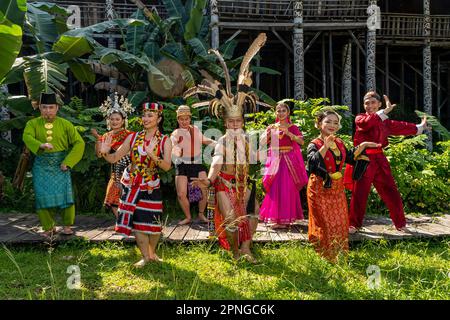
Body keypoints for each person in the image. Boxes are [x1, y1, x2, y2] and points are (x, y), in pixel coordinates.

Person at [186, 33, 269, 263]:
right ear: (226, 123)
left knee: (252, 217)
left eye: (238, 122)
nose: (235, 125)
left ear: (242, 122)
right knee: (231, 219)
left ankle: (246, 249)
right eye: (231, 122)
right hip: (225, 182)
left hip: (245, 182)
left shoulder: (247, 138)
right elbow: (216, 161)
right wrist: (209, 180)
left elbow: (256, 158)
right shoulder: (221, 140)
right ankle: (234, 251)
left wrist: (262, 146)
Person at [346, 91, 430, 234]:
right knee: (360, 193)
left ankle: (400, 223)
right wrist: (385, 111)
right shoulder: (360, 118)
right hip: (364, 159)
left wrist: (419, 127)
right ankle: (354, 224)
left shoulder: (386, 122)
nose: (370, 105)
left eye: (373, 103)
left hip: (380, 159)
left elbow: (401, 126)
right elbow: (367, 124)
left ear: (379, 104)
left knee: (391, 192)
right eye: (367, 103)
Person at [99, 102, 172, 267]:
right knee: (138, 223)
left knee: (154, 224)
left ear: (159, 119)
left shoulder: (165, 141)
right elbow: (114, 158)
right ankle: (145, 256)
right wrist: (105, 151)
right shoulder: (132, 138)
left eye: (150, 115)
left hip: (151, 186)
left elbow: (167, 166)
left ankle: (152, 254)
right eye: (144, 115)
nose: (145, 119)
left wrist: (152, 155)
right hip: (132, 185)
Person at [306, 109, 380, 262]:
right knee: (325, 223)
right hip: (319, 188)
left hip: (337, 189)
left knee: (340, 222)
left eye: (335, 122)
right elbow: (312, 164)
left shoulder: (339, 142)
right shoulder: (314, 143)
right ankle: (324, 256)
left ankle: (340, 255)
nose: (332, 125)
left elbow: (350, 158)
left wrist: (363, 145)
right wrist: (325, 146)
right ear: (319, 124)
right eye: (328, 122)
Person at [23, 93, 85, 237]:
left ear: (57, 108)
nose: (48, 111)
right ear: (39, 108)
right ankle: (48, 227)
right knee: (42, 196)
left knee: (66, 197)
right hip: (41, 166)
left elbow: (79, 143)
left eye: (51, 107)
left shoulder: (65, 124)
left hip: (61, 165)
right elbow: (27, 136)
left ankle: (67, 226)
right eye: (44, 107)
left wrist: (68, 162)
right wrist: (41, 144)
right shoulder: (32, 124)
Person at [259, 102, 308, 229]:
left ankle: (286, 218)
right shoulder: (271, 127)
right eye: (278, 111)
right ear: (275, 113)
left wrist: (289, 134)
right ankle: (274, 218)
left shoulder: (293, 127)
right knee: (274, 187)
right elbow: (262, 142)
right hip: (275, 161)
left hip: (289, 162)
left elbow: (301, 142)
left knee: (287, 188)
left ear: (288, 113)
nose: (281, 113)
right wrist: (268, 133)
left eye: (283, 111)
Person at [170, 105, 217, 225]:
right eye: (181, 119)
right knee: (181, 194)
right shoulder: (175, 133)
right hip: (182, 164)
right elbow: (173, 145)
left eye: (186, 119)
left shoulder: (195, 129)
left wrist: (215, 142)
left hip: (197, 163)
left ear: (190, 119)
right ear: (178, 120)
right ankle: (188, 217)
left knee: (204, 187)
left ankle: (201, 214)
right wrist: (176, 150)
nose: (184, 121)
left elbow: (204, 140)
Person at [92, 93, 134, 219]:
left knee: (128, 199)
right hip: (114, 172)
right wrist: (98, 139)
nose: (114, 122)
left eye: (117, 119)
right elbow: (99, 155)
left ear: (123, 121)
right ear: (108, 120)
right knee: (112, 199)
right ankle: (121, 223)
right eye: (112, 119)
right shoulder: (106, 136)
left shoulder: (130, 135)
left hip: (129, 171)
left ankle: (127, 223)